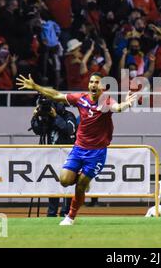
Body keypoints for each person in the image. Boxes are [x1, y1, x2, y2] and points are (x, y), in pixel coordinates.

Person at [16, 72, 137, 225]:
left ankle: (70, 216)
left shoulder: (106, 101)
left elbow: (117, 107)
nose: (93, 84)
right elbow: (57, 95)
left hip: (97, 152)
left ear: (103, 87)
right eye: (91, 81)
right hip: (79, 148)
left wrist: (126, 104)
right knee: (64, 181)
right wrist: (36, 87)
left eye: (97, 82)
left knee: (80, 186)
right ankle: (83, 179)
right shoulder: (81, 98)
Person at [30, 98, 78, 217]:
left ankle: (65, 212)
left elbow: (69, 129)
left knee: (67, 184)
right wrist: (35, 117)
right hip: (51, 157)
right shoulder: (46, 118)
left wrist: (56, 116)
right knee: (52, 184)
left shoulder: (69, 116)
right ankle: (52, 212)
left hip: (68, 156)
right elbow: (38, 131)